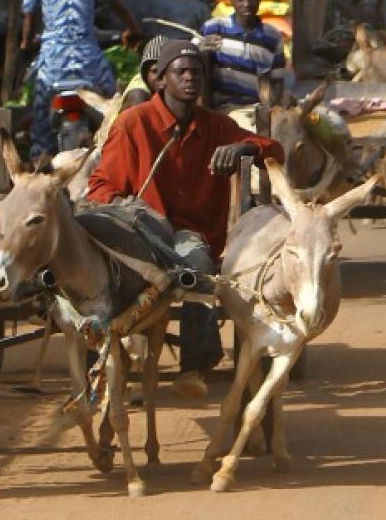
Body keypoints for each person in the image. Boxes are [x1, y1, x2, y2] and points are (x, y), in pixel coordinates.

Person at [87, 41, 284, 400]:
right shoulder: (134, 123)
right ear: (160, 80)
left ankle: (193, 368)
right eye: (181, 72)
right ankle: (99, 364)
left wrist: (245, 148)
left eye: (197, 72)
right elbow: (100, 187)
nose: (191, 78)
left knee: (196, 263)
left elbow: (274, 150)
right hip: (140, 232)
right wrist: (123, 206)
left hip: (190, 237)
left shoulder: (219, 127)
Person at [20, 0, 141, 158]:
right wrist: (133, 29)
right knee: (113, 106)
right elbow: (117, 4)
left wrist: (25, 43)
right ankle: (119, 150)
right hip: (89, 62)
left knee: (39, 117)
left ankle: (40, 156)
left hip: (53, 63)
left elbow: (29, 20)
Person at [200, 0, 287, 111]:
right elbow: (202, 68)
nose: (246, 4)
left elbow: (277, 83)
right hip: (220, 108)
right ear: (232, 0)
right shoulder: (215, 28)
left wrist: (271, 110)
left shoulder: (273, 37)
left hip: (254, 110)